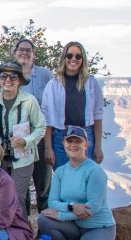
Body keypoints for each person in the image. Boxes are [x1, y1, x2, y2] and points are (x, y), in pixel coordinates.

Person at [38, 126, 115, 240]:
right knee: (44, 219)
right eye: (69, 141)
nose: (73, 145)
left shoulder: (95, 171)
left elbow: (93, 208)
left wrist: (61, 215)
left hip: (97, 227)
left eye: (78, 141)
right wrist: (72, 206)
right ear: (64, 144)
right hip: (75, 225)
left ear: (86, 145)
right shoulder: (60, 172)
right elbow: (52, 202)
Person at [0, 60, 46, 216]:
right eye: (4, 76)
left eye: (13, 76)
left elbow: (40, 127)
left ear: (19, 80)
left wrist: (26, 141)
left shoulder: (29, 101)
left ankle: (21, 235)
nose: (8, 80)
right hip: (0, 157)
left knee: (17, 196)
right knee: (0, 196)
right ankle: (3, 232)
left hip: (23, 156)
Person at [42, 41, 104, 169]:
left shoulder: (91, 83)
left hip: (85, 136)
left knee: (85, 179)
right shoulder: (53, 85)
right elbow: (47, 118)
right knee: (63, 177)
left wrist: (98, 146)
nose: (73, 59)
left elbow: (97, 115)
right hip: (60, 137)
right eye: (69, 56)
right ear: (64, 58)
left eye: (78, 56)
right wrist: (48, 148)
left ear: (83, 59)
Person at [14, 39, 54, 214]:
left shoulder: (44, 75)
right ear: (14, 52)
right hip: (19, 138)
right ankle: (24, 227)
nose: (25, 53)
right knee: (21, 186)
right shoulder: (10, 73)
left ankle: (46, 227)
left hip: (40, 137)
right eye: (21, 50)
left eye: (28, 50)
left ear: (34, 54)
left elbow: (51, 107)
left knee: (43, 183)